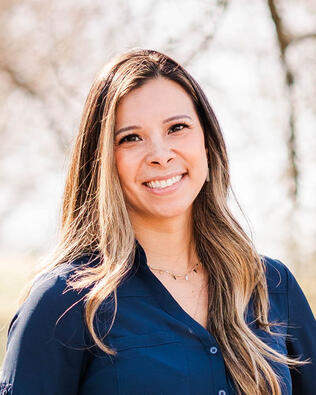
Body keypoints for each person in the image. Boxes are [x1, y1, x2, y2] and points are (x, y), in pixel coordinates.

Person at [0, 48, 315, 395]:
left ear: (208, 145)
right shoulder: (63, 304)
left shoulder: (272, 287)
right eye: (131, 138)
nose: (160, 155)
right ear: (104, 161)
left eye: (177, 128)